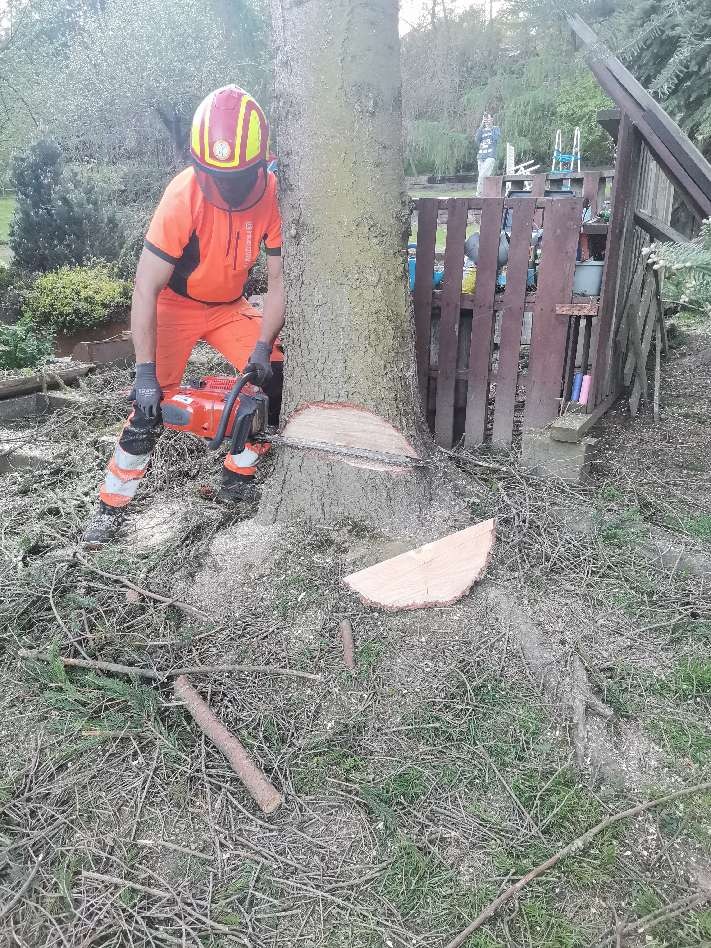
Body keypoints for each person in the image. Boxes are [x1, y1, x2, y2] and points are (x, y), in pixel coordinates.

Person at [82, 85, 285, 545]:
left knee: (274, 376)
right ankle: (111, 507)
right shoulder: (183, 196)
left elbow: (278, 283)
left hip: (230, 306)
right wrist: (145, 372)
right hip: (174, 304)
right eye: (218, 176)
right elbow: (146, 288)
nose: (227, 187)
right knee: (148, 407)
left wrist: (259, 347)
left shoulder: (273, 194)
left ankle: (238, 476)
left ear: (259, 163)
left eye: (238, 177)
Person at [474, 112, 501, 197]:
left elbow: (495, 139)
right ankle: (485, 194)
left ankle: (479, 195)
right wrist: (482, 125)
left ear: (492, 119)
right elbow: (477, 139)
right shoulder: (481, 130)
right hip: (481, 156)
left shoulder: (496, 129)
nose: (487, 120)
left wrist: (491, 126)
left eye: (488, 118)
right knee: (483, 177)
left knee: (482, 175)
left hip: (490, 156)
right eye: (485, 119)